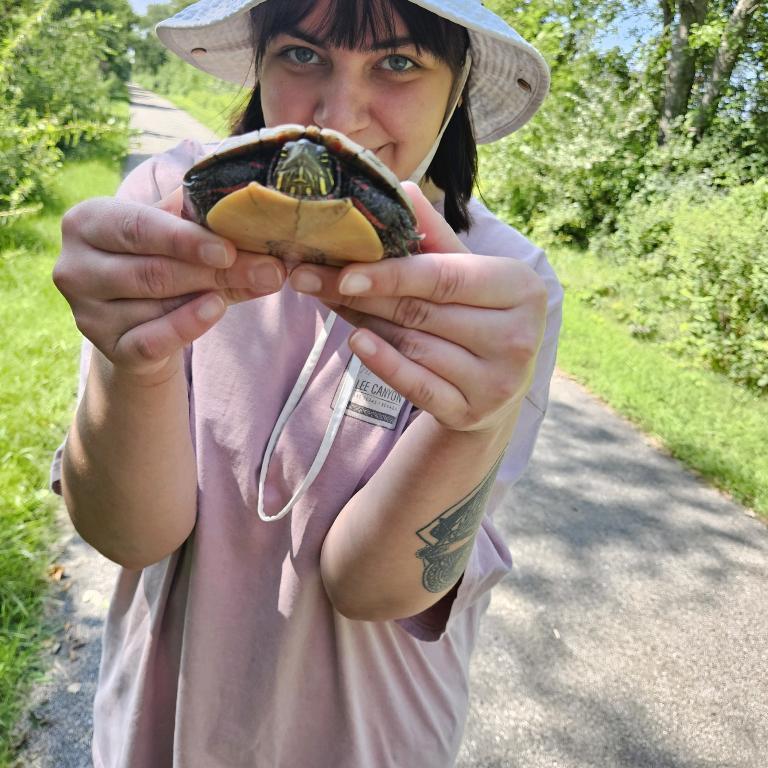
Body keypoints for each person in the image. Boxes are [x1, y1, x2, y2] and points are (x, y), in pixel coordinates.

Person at [51, 0, 563, 765]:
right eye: (300, 54)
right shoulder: (173, 212)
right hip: (166, 719)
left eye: (396, 63)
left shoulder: (499, 287)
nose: (337, 116)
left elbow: (375, 588)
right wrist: (135, 359)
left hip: (368, 734)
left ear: (456, 89)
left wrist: (475, 421)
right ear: (259, 64)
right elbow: (129, 535)